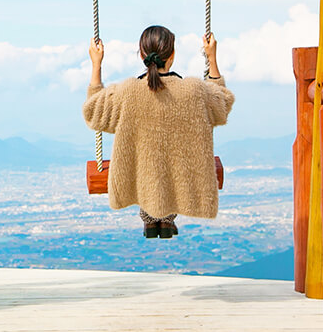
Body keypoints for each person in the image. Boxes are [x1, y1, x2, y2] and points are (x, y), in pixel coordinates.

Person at [83, 25, 234, 239]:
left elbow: (93, 111)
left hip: (142, 174)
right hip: (179, 173)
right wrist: (212, 58)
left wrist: (96, 65)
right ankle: (165, 217)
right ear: (172, 55)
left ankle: (151, 217)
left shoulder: (128, 92)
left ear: (142, 54)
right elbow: (222, 103)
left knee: (150, 164)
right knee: (170, 161)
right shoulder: (194, 91)